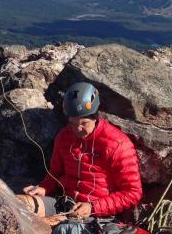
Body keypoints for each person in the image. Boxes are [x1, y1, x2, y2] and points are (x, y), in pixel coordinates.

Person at [20, 82, 142, 220]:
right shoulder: (64, 137)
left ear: (95, 118)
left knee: (44, 225)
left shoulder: (117, 144)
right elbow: (55, 173)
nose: (77, 129)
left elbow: (133, 193)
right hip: (63, 204)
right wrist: (44, 188)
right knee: (19, 205)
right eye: (73, 123)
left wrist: (93, 207)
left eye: (84, 123)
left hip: (96, 214)